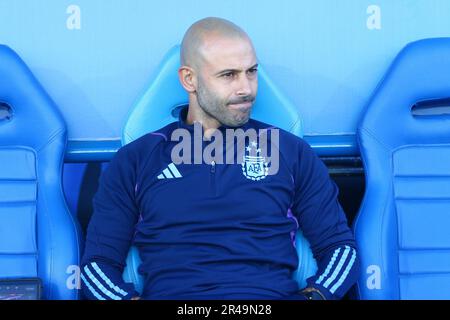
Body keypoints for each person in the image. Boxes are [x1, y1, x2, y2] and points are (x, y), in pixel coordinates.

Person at [80, 17, 359, 300]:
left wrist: (316, 296)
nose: (246, 88)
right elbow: (96, 267)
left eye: (251, 72)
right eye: (228, 75)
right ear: (189, 79)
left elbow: (340, 249)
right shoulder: (136, 160)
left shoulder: (290, 151)